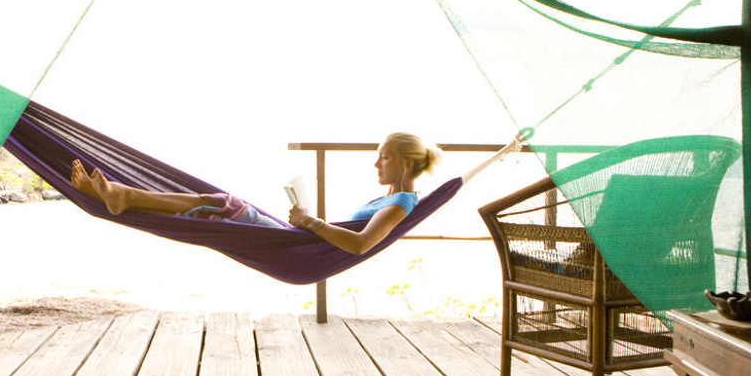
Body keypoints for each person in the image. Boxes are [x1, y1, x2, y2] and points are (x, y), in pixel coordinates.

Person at [69, 132, 523, 256]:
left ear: (404, 163)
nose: (375, 163)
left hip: (298, 248)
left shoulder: (402, 202)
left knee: (221, 202)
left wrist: (310, 223)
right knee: (215, 205)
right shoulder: (398, 199)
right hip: (297, 244)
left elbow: (363, 243)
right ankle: (124, 196)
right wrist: (307, 222)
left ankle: (124, 196)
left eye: (382, 156)